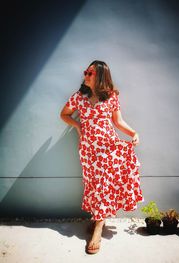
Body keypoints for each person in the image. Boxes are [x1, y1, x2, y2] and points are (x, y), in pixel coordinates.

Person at [60, 60, 144, 254]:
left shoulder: (111, 97)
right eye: (86, 72)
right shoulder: (79, 97)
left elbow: (118, 121)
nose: (86, 76)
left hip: (108, 148)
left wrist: (133, 133)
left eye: (90, 73)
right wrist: (78, 126)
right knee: (92, 183)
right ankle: (98, 217)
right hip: (88, 149)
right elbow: (64, 114)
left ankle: (98, 228)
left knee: (103, 184)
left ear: (100, 76)